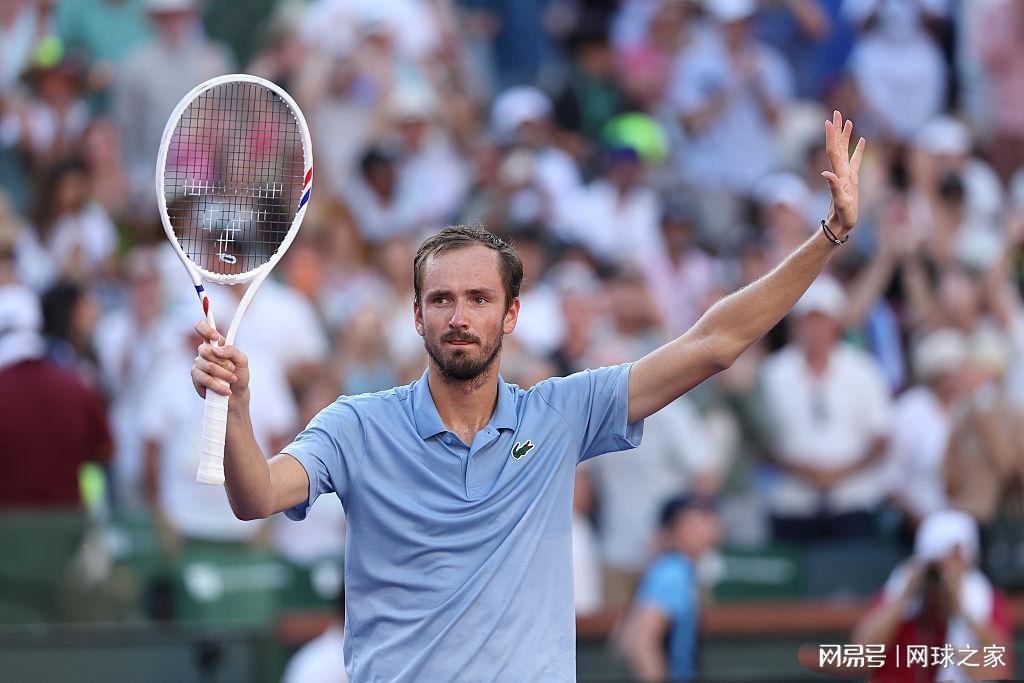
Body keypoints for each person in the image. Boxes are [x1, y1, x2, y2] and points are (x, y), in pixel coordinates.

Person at [189, 112, 864, 680]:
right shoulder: (355, 425)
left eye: (479, 299)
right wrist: (236, 409)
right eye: (441, 300)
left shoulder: (562, 414)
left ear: (511, 314)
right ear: (416, 315)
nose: (459, 317)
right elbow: (257, 496)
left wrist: (829, 234)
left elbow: (714, 343)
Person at [851, 509, 1013, 682]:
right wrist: (904, 598)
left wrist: (962, 612)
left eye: (955, 560)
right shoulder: (899, 590)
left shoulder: (985, 599)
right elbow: (861, 659)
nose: (946, 572)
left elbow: (994, 671)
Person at [616, 494, 722, 682]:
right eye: (694, 524)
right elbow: (640, 643)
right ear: (671, 531)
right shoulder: (673, 572)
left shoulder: (676, 569)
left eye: (707, 519)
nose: (706, 528)